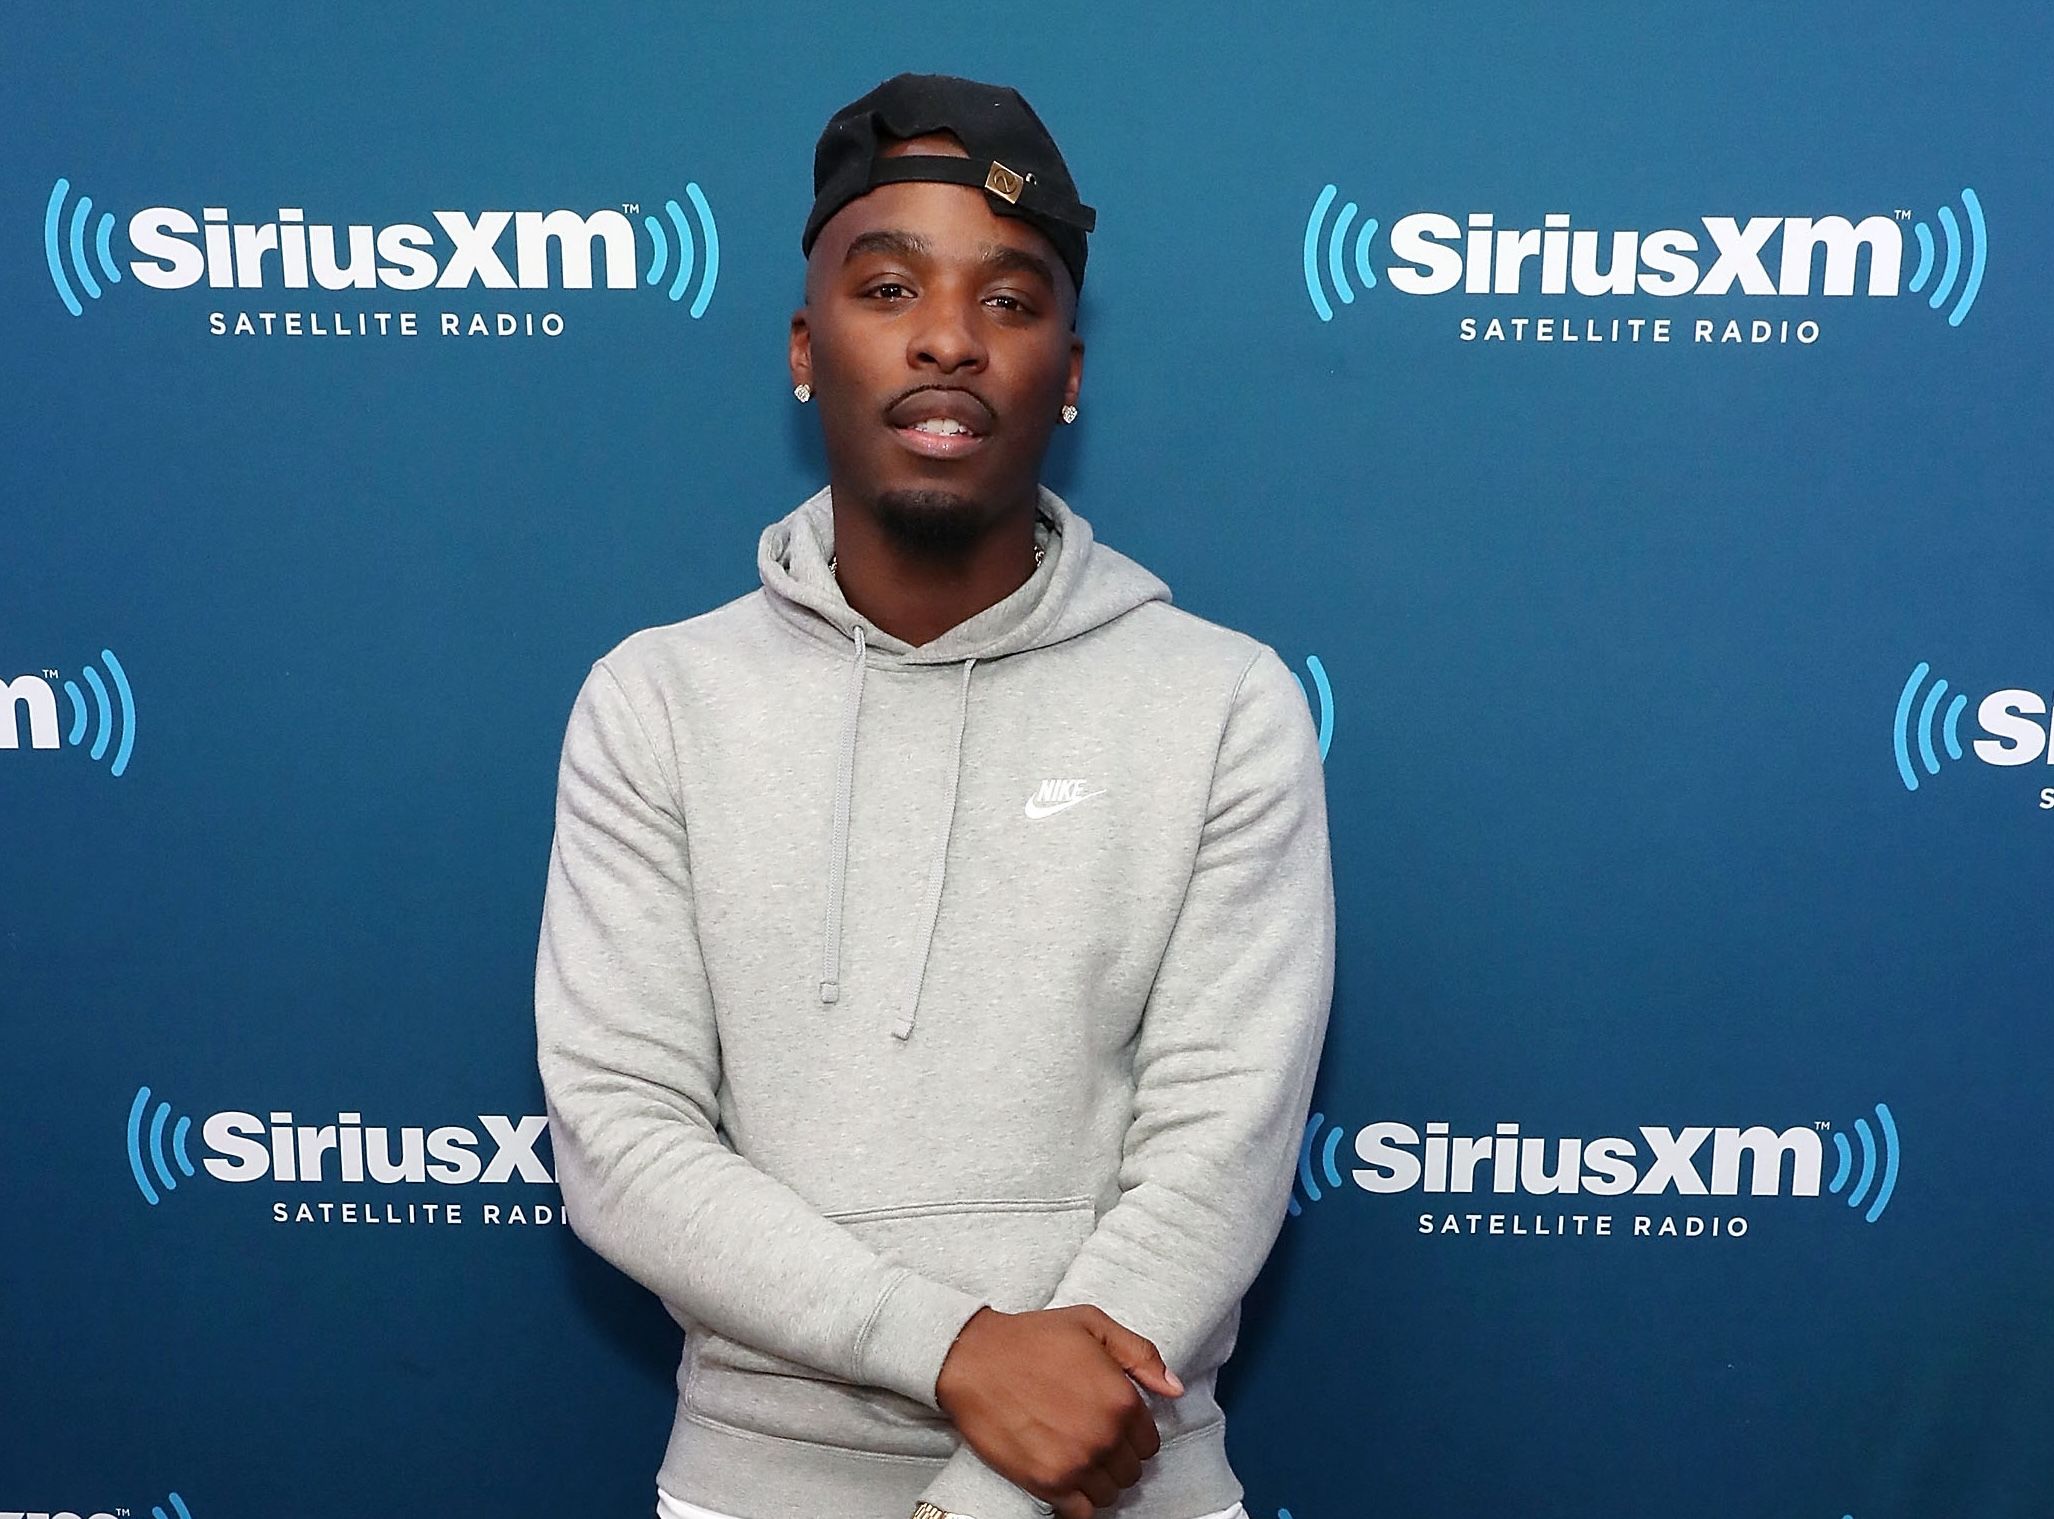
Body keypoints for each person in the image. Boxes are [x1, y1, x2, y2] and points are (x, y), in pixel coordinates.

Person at [533, 72, 1335, 1519]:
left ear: (1069, 374)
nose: (949, 339)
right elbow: (623, 1132)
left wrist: (973, 1502)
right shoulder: (655, 701)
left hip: (1120, 1484)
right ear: (805, 347)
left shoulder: (1223, 702)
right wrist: (949, 1346)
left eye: (1009, 301)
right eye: (889, 286)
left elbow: (1223, 1141)